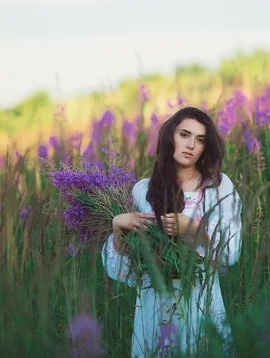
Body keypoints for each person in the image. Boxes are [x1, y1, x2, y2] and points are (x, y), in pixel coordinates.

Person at [101, 106, 242, 357]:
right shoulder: (142, 191)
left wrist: (194, 229)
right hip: (154, 302)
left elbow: (230, 252)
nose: (191, 145)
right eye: (184, 135)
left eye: (200, 140)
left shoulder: (218, 187)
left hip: (201, 299)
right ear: (170, 137)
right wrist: (118, 228)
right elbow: (126, 269)